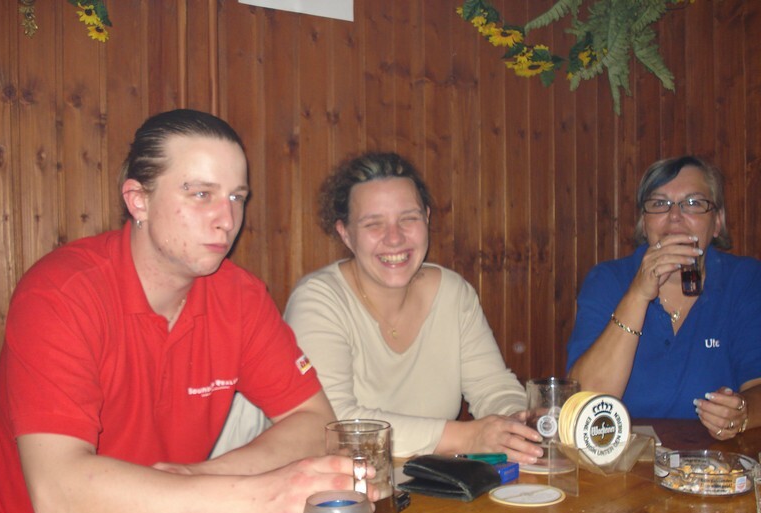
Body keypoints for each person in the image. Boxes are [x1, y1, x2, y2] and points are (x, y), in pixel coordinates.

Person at [0, 108, 370, 513]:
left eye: (237, 197)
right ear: (139, 200)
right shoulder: (61, 293)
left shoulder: (240, 297)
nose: (227, 220)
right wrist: (258, 498)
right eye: (201, 194)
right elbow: (58, 493)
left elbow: (315, 421)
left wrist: (199, 476)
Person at [283, 152, 542, 462]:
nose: (394, 238)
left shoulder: (454, 294)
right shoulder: (318, 301)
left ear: (427, 219)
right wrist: (468, 436)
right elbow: (333, 424)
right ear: (346, 234)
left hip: (431, 485)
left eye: (408, 219)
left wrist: (516, 423)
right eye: (373, 224)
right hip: (340, 486)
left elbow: (492, 386)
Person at [567, 156, 761, 440]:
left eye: (693, 203)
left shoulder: (745, 280)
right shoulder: (607, 280)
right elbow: (585, 401)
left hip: (715, 459)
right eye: (659, 203)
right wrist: (637, 294)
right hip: (623, 456)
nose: (675, 216)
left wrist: (740, 412)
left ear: (717, 222)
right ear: (644, 224)